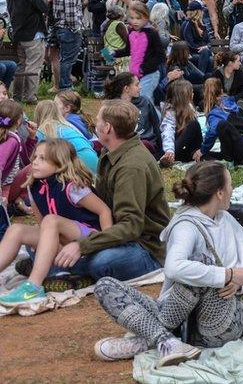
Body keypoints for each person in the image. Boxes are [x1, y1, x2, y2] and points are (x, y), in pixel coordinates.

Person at [92, 161, 243, 367]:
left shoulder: (226, 219)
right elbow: (174, 268)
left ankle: (150, 339)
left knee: (199, 264)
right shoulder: (186, 225)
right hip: (177, 316)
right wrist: (227, 274)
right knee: (104, 285)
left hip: (218, 326)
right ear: (219, 193)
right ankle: (166, 340)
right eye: (229, 184)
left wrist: (238, 283)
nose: (232, 189)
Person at [38, 100, 168, 290]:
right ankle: (58, 266)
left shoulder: (131, 167)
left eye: (98, 120)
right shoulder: (111, 152)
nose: (94, 124)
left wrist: (82, 245)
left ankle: (56, 267)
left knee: (102, 261)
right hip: (113, 233)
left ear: (107, 128)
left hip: (143, 247)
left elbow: (131, 226)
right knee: (38, 241)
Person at [0, 139, 112, 306]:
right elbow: (42, 223)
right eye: (35, 157)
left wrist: (107, 243)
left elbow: (104, 211)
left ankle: (33, 287)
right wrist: (39, 241)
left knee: (51, 220)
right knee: (16, 229)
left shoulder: (72, 187)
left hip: (87, 238)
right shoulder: (34, 186)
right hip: (60, 242)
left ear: (59, 163)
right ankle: (56, 272)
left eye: (42, 159)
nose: (35, 162)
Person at [5, 0, 48, 104]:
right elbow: (44, 8)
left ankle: (17, 94)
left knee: (21, 66)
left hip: (18, 33)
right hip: (33, 32)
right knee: (33, 66)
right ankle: (30, 96)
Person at [196, 78, 243, 166]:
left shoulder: (215, 113)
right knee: (205, 156)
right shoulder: (229, 101)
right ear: (221, 91)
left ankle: (228, 159)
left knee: (222, 125)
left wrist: (203, 150)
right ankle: (226, 157)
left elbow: (212, 132)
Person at [114, 2, 166, 101]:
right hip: (135, 75)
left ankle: (154, 116)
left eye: (138, 18)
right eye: (132, 18)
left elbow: (161, 56)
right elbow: (129, 50)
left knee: (144, 100)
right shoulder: (131, 32)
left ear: (146, 18)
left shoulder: (152, 33)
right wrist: (115, 53)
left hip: (150, 74)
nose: (134, 21)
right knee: (139, 100)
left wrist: (144, 68)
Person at [104, 72, 163, 156]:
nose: (140, 87)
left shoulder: (145, 102)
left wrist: (161, 152)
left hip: (145, 143)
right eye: (137, 85)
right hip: (123, 144)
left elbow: (156, 125)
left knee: (144, 144)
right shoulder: (113, 107)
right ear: (126, 88)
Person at [34, 100, 98, 172]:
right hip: (94, 159)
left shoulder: (43, 129)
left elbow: (39, 156)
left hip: (79, 163)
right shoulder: (67, 125)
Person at [51, 0, 84, 90]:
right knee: (68, 60)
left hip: (59, 27)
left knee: (64, 58)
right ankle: (65, 85)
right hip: (69, 30)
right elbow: (70, 15)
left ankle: (62, 84)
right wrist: (76, 29)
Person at [159, 80, 202, 167]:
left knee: (194, 124)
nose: (193, 94)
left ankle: (198, 153)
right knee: (193, 124)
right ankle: (168, 157)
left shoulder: (190, 107)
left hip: (190, 148)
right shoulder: (170, 112)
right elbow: (168, 131)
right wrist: (170, 150)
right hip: (176, 149)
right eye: (191, 92)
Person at [180, 1, 214, 75]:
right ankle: (201, 76)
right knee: (208, 58)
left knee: (209, 57)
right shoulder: (187, 24)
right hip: (192, 53)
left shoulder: (202, 23)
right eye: (202, 10)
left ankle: (205, 78)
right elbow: (188, 43)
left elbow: (209, 41)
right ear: (198, 12)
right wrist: (200, 48)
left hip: (204, 52)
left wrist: (206, 46)